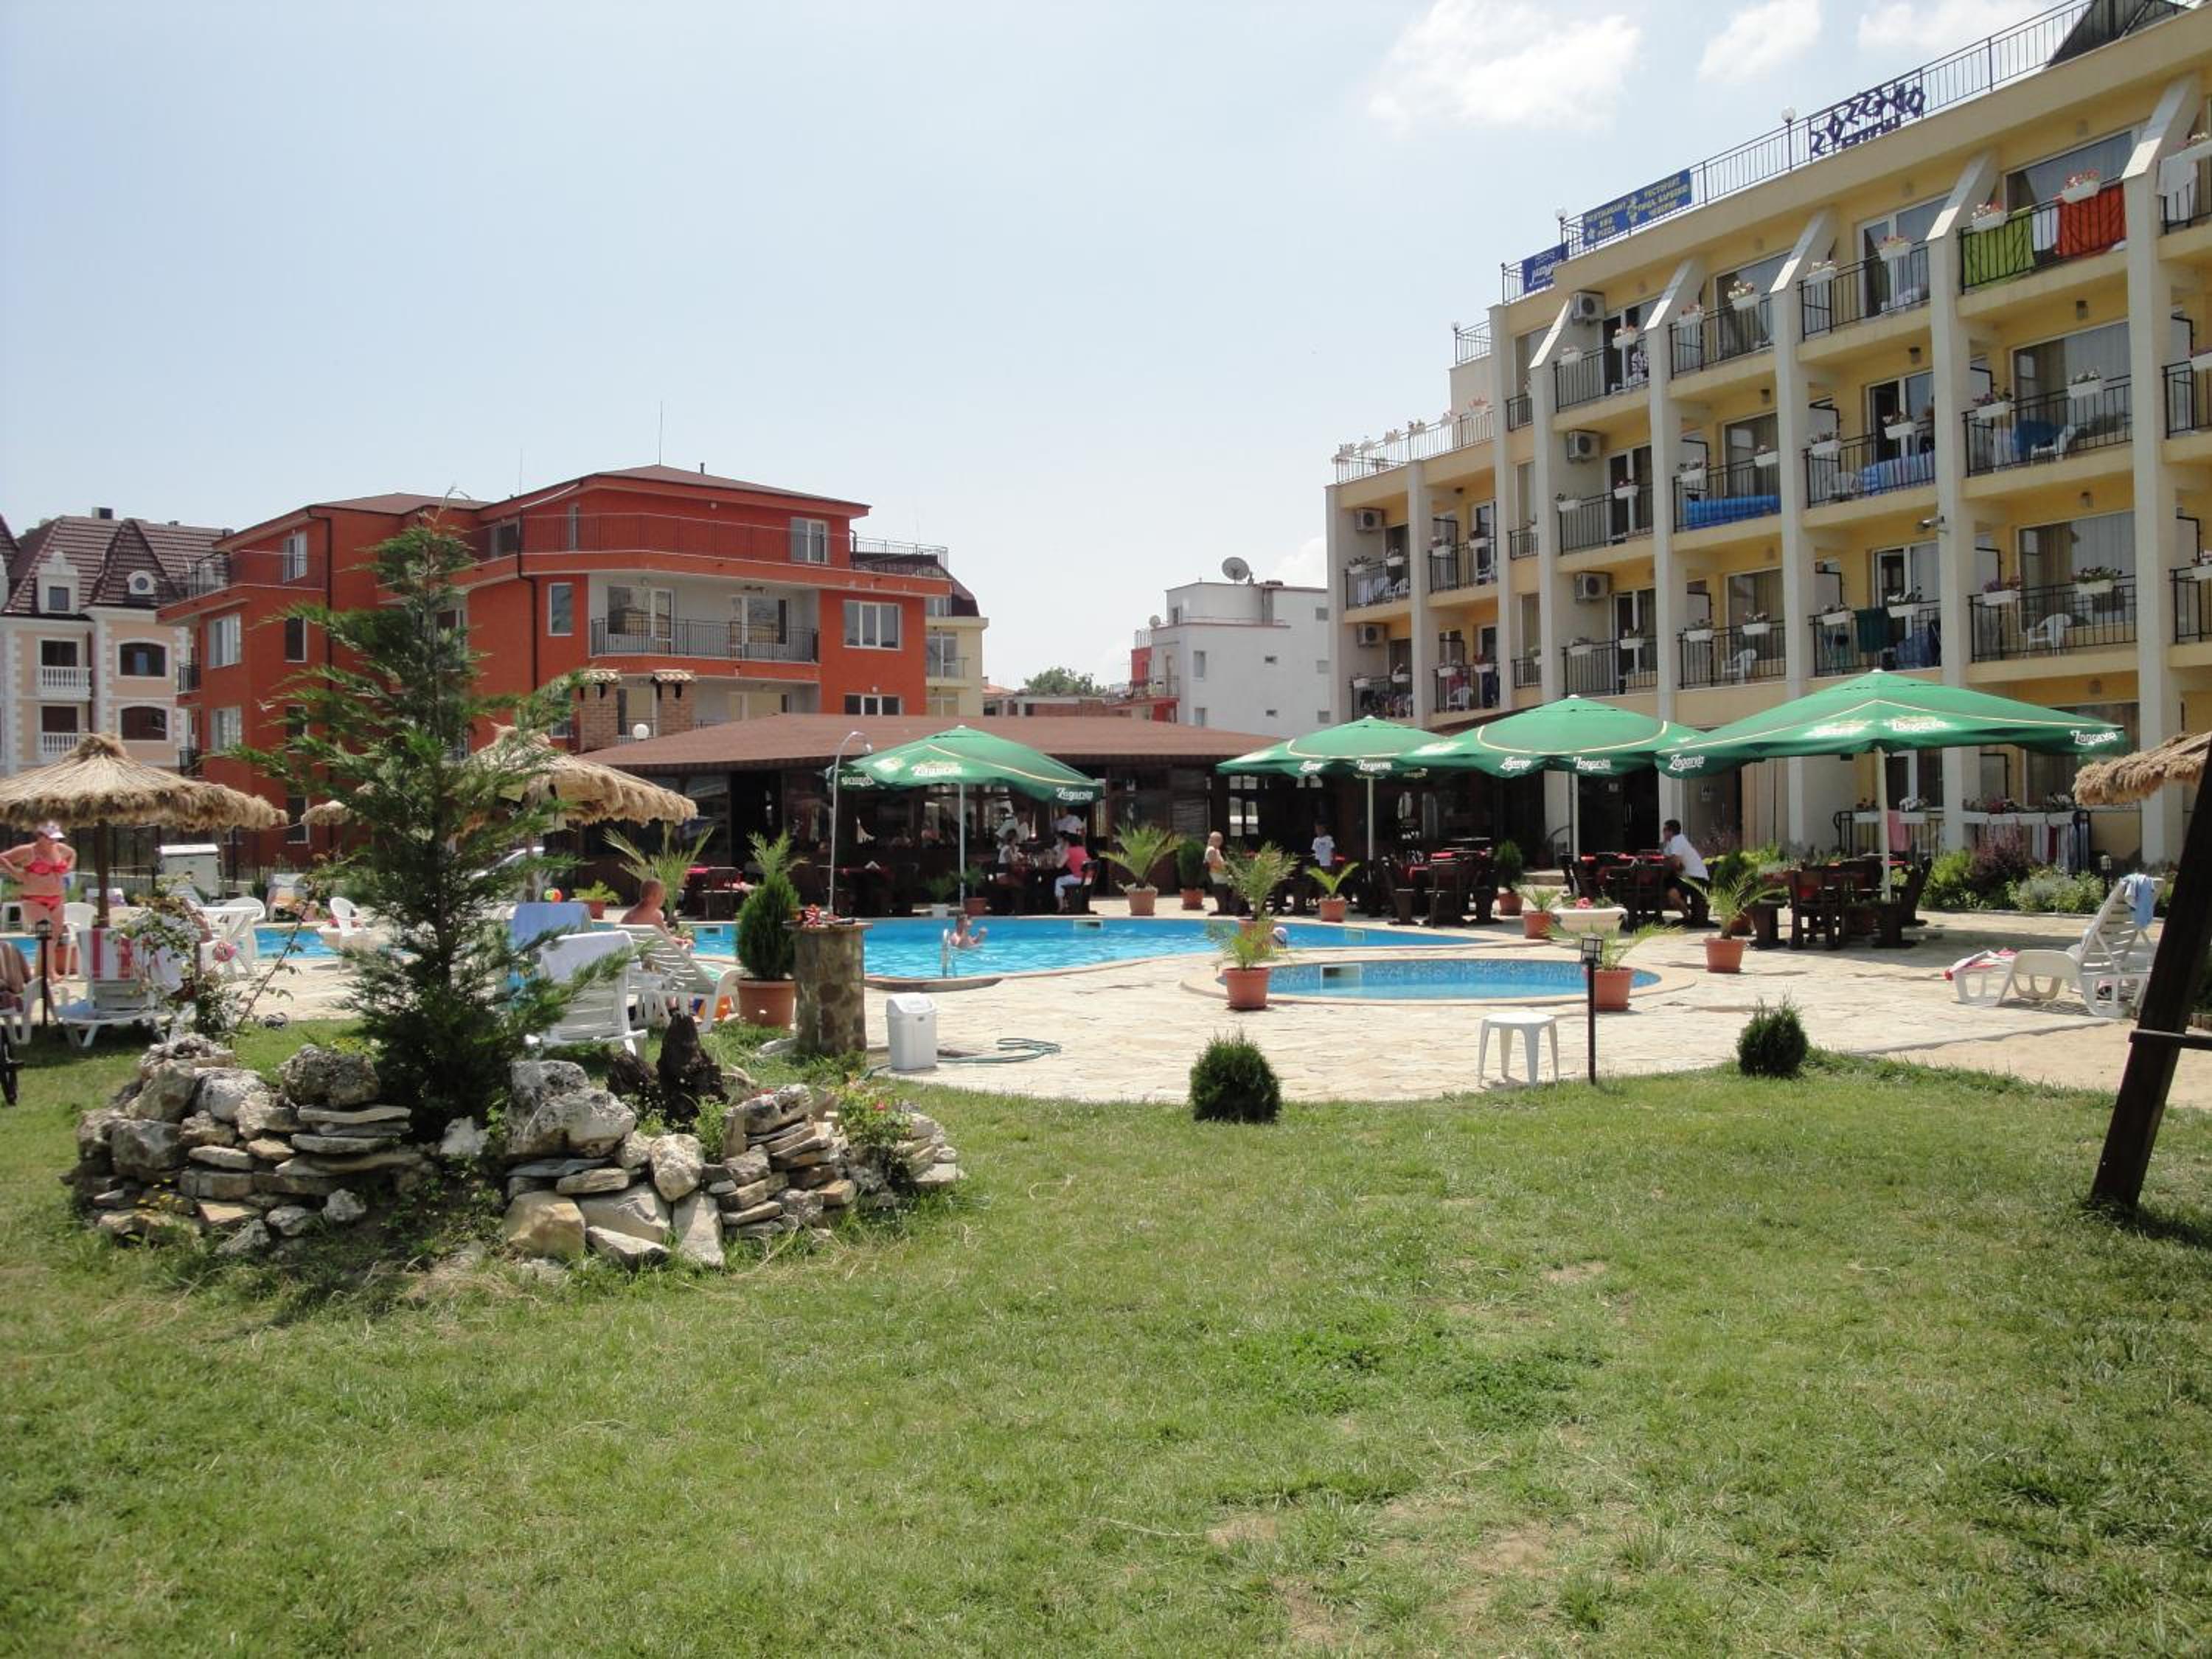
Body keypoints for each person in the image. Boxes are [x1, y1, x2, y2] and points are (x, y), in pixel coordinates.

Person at [0, 823, 77, 961]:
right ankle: (49, 972)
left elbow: (73, 853)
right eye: (50, 838)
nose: (53, 841)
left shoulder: (59, 849)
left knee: (53, 938)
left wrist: (69, 867)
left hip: (57, 900)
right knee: (46, 936)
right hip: (34, 901)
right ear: (40, 836)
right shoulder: (28, 851)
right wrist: (16, 874)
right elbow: (2, 858)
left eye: (56, 838)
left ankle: (44, 970)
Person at [622, 877, 691, 948]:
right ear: (652, 896)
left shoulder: (630, 916)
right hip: (658, 954)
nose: (664, 897)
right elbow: (668, 939)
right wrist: (684, 941)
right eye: (662, 894)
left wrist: (681, 940)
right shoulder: (656, 916)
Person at [1661, 818, 1708, 921]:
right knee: (1665, 884)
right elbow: (1666, 859)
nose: (1663, 832)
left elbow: (1675, 864)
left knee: (1672, 895)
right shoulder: (1671, 842)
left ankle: (1687, 918)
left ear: (1670, 831)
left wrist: (1670, 862)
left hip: (1697, 879)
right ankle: (1687, 917)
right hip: (1687, 877)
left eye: (1664, 830)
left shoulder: (1677, 840)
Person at [1054, 832, 1090, 911]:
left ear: (1068, 843)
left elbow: (1058, 866)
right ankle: (1068, 903)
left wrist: (1061, 852)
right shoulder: (1082, 849)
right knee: (1065, 878)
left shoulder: (1070, 851)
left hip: (1080, 878)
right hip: (1088, 878)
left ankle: (1061, 905)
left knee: (1059, 880)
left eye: (1065, 842)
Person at [1203, 830, 1231, 914]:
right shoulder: (1211, 850)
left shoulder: (1216, 850)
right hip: (1217, 875)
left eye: (1220, 840)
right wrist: (1225, 867)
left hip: (1220, 874)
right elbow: (1213, 863)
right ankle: (1225, 908)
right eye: (1218, 840)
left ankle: (1227, 907)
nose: (1220, 842)